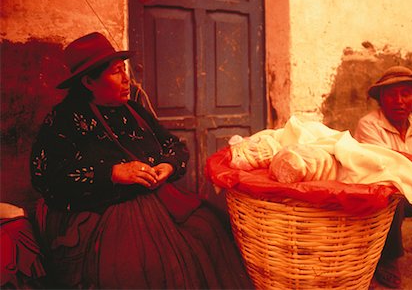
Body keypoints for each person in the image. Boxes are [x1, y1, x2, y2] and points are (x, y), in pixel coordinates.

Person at [30, 32, 253, 289]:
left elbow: (174, 146)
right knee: (141, 265)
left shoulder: (133, 111)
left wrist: (167, 166)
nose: (126, 79)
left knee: (209, 229)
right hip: (100, 211)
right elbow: (46, 176)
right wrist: (113, 173)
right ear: (89, 81)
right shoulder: (65, 119)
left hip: (155, 200)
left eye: (123, 69)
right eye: (116, 72)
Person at [354, 65, 412, 289]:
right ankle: (388, 259)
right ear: (381, 100)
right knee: (392, 196)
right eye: (391, 95)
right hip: (382, 196)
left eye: (405, 93)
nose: (399, 100)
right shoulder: (369, 124)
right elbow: (385, 164)